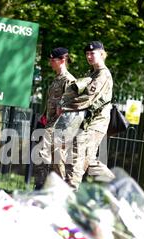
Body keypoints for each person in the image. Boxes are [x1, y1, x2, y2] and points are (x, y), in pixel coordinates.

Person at [59, 41, 115, 190]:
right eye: (87, 54)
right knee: (88, 159)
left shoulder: (103, 74)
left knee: (78, 153)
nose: (89, 56)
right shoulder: (93, 73)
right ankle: (117, 186)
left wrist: (64, 107)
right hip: (89, 122)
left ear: (102, 54)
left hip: (96, 123)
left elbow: (88, 98)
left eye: (93, 53)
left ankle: (70, 191)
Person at [34, 47, 76, 190]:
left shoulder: (69, 80)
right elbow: (52, 101)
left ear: (62, 60)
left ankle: (54, 188)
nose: (50, 62)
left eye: (53, 60)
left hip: (59, 127)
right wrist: (44, 117)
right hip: (49, 123)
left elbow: (69, 108)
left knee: (52, 158)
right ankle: (42, 187)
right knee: (49, 157)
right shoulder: (56, 79)